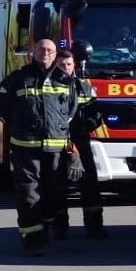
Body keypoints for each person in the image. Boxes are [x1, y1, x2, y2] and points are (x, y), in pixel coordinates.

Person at [0, 39, 81, 256]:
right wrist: (20, 127)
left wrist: (67, 145)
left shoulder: (65, 81)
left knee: (53, 195)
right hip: (25, 149)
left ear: (55, 54)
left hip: (55, 151)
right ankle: (33, 240)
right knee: (28, 194)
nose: (45, 53)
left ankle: (46, 224)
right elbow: (1, 107)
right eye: (41, 49)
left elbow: (70, 112)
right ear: (33, 51)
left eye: (50, 50)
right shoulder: (17, 79)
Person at [56, 51, 108, 239]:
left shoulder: (84, 88)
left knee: (90, 185)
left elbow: (96, 113)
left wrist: (87, 125)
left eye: (69, 64)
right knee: (57, 187)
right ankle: (59, 228)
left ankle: (95, 227)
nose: (66, 68)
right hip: (57, 143)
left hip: (81, 141)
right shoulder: (49, 86)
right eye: (62, 65)